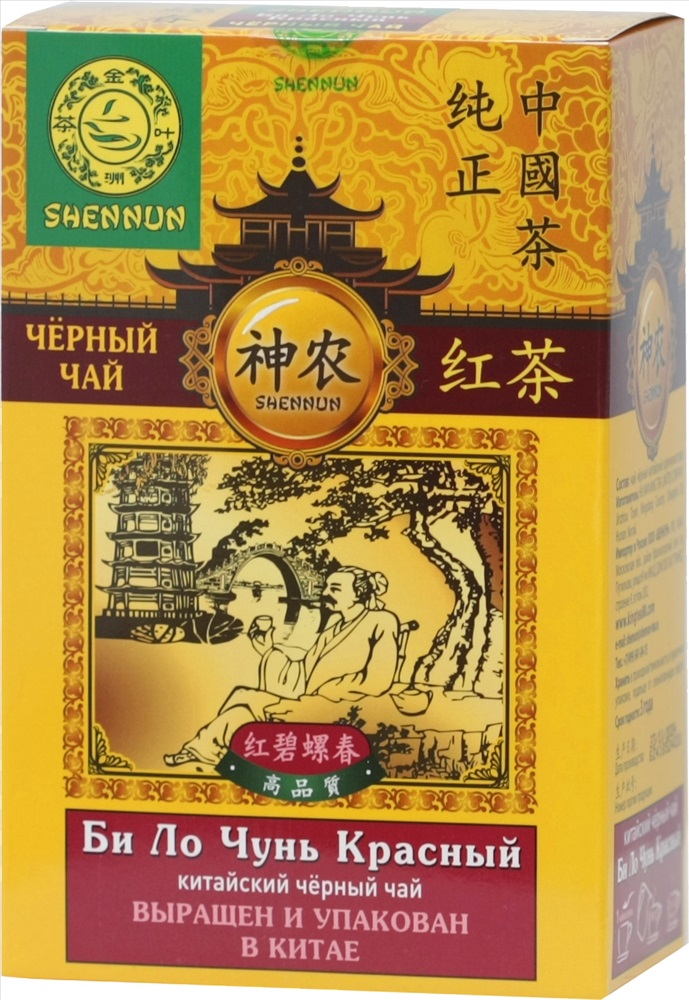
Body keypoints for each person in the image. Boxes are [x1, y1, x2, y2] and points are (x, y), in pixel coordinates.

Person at [164, 566, 399, 766]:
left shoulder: (382, 620)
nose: (325, 593)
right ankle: (207, 749)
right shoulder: (335, 624)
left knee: (245, 706)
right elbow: (307, 665)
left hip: (336, 704)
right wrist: (269, 649)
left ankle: (206, 749)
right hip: (310, 696)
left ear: (358, 594)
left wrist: (325, 694)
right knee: (242, 696)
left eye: (335, 589)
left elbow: (379, 680)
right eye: (327, 587)